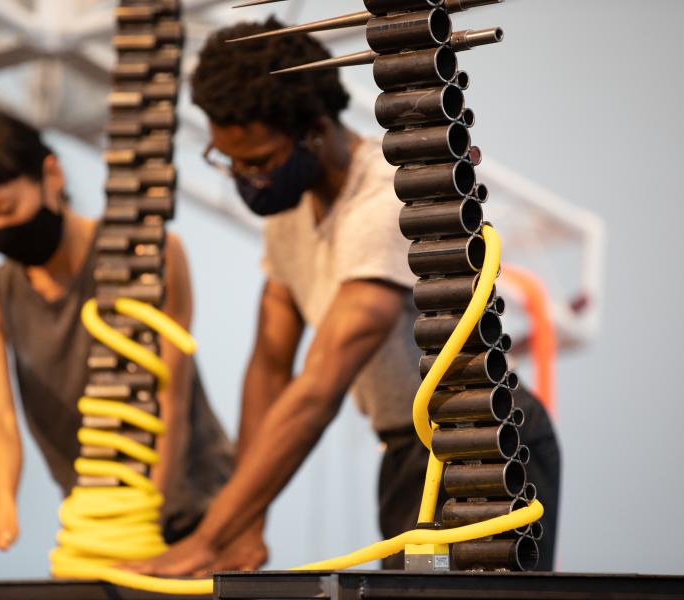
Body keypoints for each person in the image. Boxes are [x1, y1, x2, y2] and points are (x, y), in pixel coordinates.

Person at [128, 18, 560, 574]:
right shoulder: (289, 209)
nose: (245, 179)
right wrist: (243, 530)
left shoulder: (388, 198)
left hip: (486, 441)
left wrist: (207, 540)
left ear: (313, 130)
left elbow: (318, 387)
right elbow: (269, 367)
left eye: (256, 161)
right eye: (228, 161)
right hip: (407, 449)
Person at [0, 113, 258, 568]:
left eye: (4, 210)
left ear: (51, 175)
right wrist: (2, 509)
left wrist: (146, 524)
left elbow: (171, 397)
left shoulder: (152, 257)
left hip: (200, 510)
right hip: (103, 518)